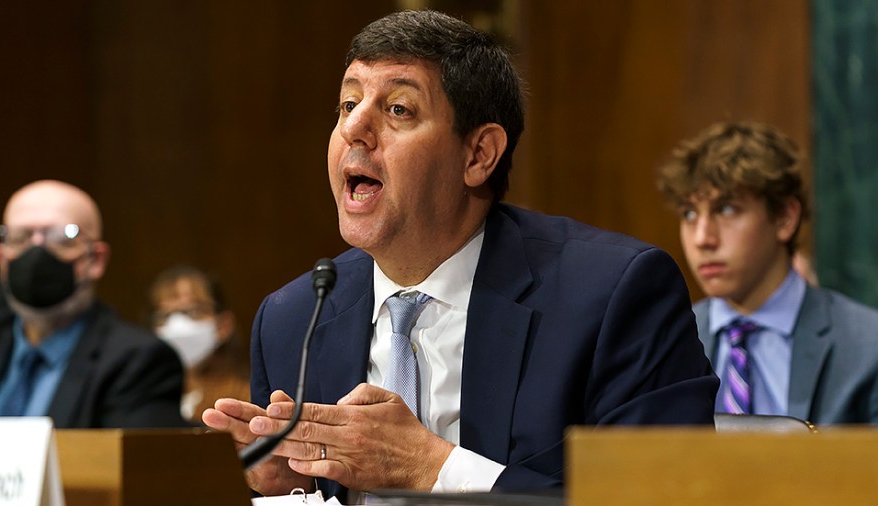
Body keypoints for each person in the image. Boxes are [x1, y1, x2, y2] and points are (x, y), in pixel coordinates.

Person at [203, 10, 717, 500]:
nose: (353, 130)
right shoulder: (293, 319)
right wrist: (288, 488)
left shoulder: (612, 296)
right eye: (347, 105)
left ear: (478, 155)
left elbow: (670, 498)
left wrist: (432, 468)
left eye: (398, 109)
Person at [657, 120, 878, 424]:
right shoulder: (665, 343)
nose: (702, 239)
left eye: (727, 209)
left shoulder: (867, 345)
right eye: (690, 214)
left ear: (785, 218)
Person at [0, 179, 187, 428]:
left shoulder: (138, 362)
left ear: (96, 260)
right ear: (1, 259)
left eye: (63, 238)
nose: (37, 252)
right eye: (20, 237)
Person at [149, 265, 249, 422]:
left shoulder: (243, 400)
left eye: (193, 311)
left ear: (224, 325)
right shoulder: (148, 396)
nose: (177, 325)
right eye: (166, 315)